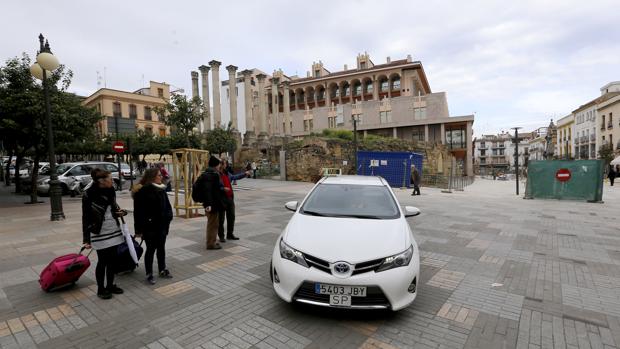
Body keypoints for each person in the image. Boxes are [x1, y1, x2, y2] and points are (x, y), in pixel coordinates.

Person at [82, 168, 127, 299]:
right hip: (99, 231)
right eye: (110, 179)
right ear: (101, 181)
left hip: (113, 228)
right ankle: (101, 289)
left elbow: (114, 207)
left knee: (113, 260)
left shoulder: (111, 190)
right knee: (103, 261)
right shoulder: (89, 194)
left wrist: (121, 212)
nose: (112, 181)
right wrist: (86, 239)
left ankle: (110, 285)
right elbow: (85, 217)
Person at [132, 168, 173, 285]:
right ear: (152, 177)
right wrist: (138, 230)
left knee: (161, 248)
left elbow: (168, 206)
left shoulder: (161, 189)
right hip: (149, 227)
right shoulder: (143, 191)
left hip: (162, 225)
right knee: (150, 249)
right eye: (159, 175)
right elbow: (138, 213)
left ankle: (162, 269)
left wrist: (168, 217)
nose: (161, 177)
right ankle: (149, 273)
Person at [196, 156, 226, 250]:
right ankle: (210, 244)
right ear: (215, 165)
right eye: (218, 164)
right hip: (212, 204)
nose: (219, 166)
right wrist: (208, 205)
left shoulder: (208, 173)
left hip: (212, 203)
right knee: (212, 224)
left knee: (214, 223)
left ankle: (212, 241)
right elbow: (208, 190)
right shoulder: (211, 175)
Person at [218, 159, 251, 242]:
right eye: (225, 164)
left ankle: (230, 234)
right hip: (221, 199)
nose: (226, 165)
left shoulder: (227, 173)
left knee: (231, 217)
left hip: (229, 198)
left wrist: (244, 174)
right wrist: (222, 189)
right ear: (221, 164)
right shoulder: (217, 174)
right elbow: (215, 187)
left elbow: (234, 177)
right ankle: (221, 236)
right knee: (221, 219)